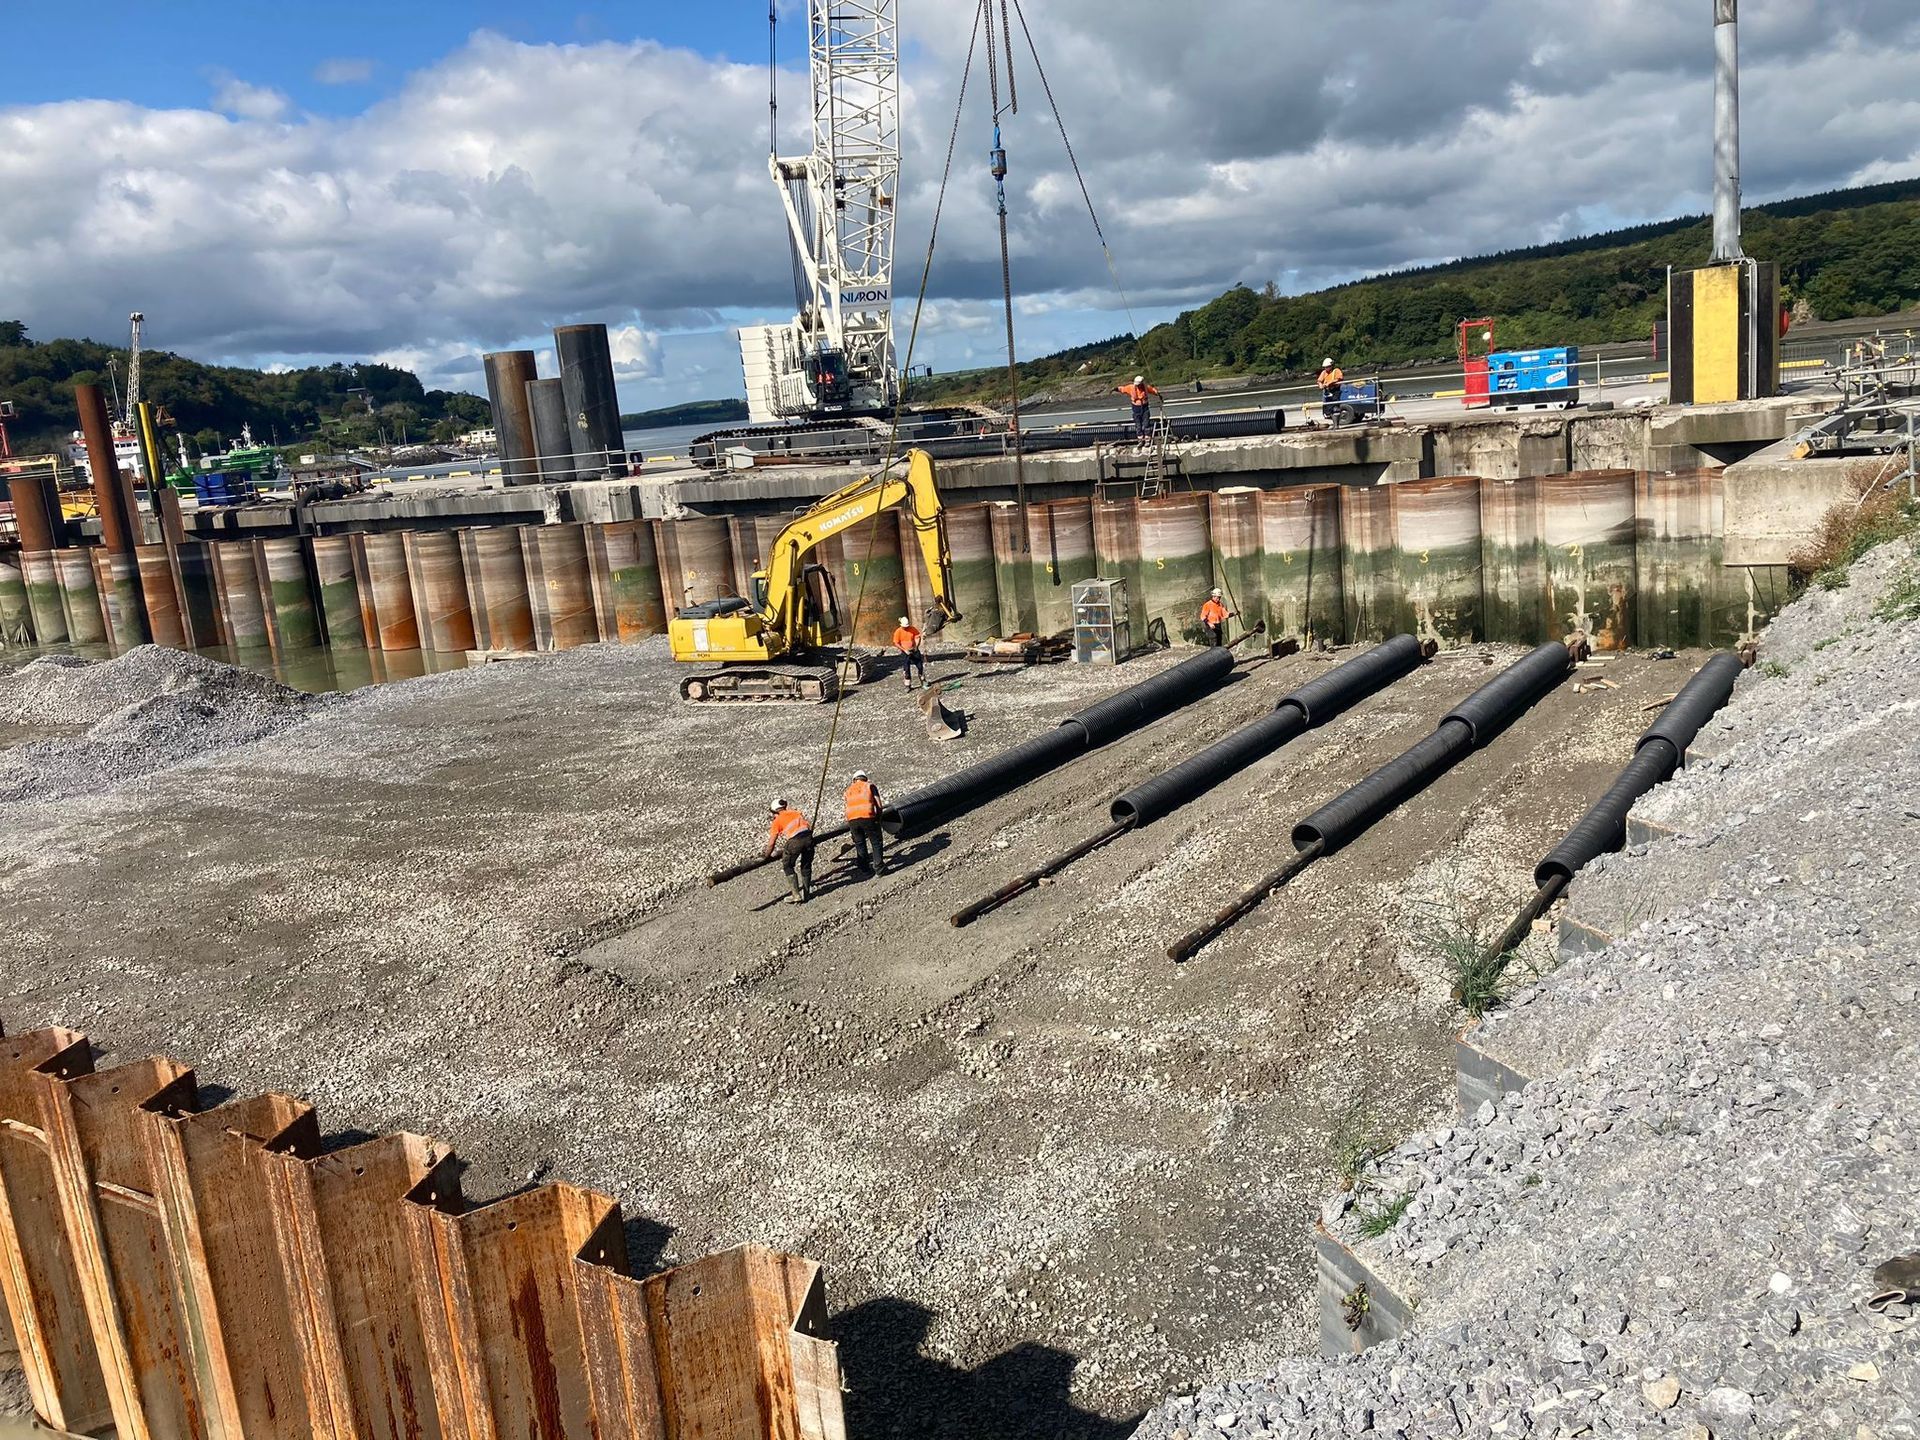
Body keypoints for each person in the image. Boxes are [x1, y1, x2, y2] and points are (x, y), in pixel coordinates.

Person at [764, 798, 815, 903]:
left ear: (775, 811)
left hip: (795, 841)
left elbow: (771, 843)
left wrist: (766, 855)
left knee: (788, 866)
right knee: (806, 866)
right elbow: (808, 825)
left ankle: (796, 895)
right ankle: (807, 894)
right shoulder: (796, 812)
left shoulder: (777, 821)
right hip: (809, 839)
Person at [844, 770, 885, 875]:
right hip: (867, 817)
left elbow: (847, 806)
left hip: (852, 820)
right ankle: (879, 868)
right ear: (865, 779)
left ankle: (865, 869)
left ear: (854, 780)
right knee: (876, 842)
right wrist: (878, 818)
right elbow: (879, 805)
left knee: (859, 843)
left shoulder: (848, 790)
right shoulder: (869, 786)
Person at [1117, 374, 1160, 441]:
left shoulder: (1146, 387)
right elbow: (1123, 389)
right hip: (1136, 408)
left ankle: (1147, 438)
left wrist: (1157, 393)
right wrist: (1116, 389)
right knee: (1138, 424)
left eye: (1139, 385)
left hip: (1145, 407)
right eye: (1137, 385)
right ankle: (1140, 439)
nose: (1138, 386)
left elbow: (1152, 390)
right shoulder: (1131, 387)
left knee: (1146, 423)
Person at [892, 615, 926, 690]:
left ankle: (923, 682)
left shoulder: (912, 629)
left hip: (914, 650)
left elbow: (917, 637)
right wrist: (904, 650)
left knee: (920, 666)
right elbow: (896, 643)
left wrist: (916, 646)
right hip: (905, 652)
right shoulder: (898, 631)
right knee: (906, 669)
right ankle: (908, 685)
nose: (906, 627)